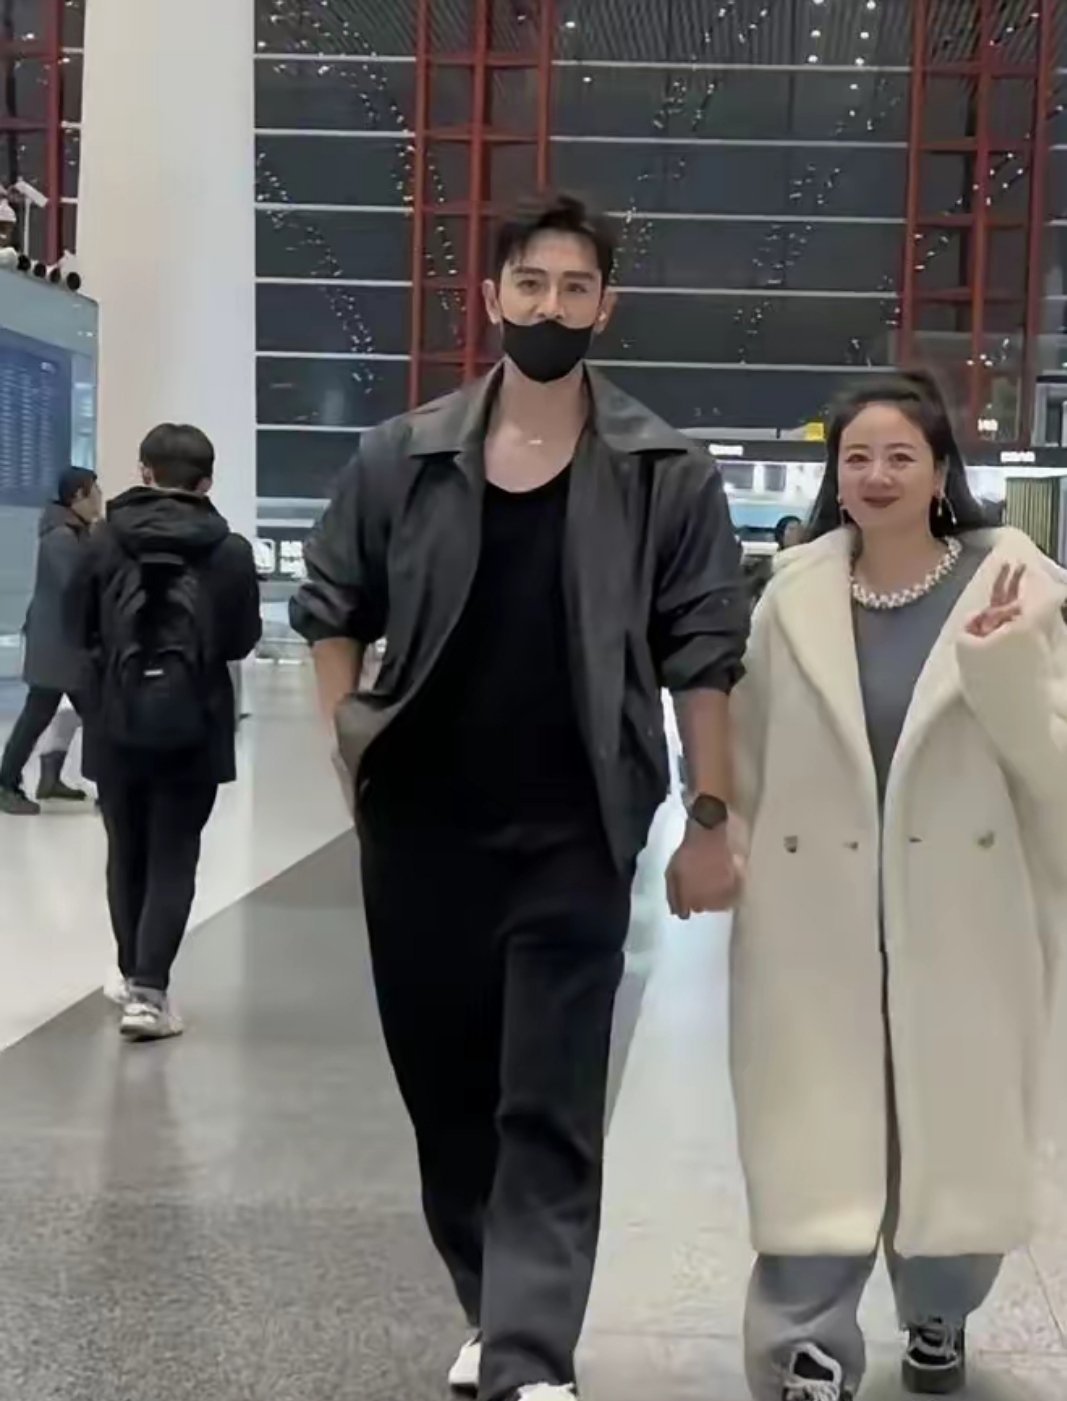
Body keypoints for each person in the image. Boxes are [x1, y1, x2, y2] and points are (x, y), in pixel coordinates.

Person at [290, 191, 749, 1401]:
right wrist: (347, 745)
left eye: (574, 287)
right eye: (531, 284)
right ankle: (492, 1306)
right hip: (421, 827)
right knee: (447, 1096)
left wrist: (708, 819)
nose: (551, 306)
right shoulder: (402, 456)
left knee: (546, 1097)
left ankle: (531, 1353)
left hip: (574, 829)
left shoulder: (661, 470)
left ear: (606, 306)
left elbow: (704, 656)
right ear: (491, 296)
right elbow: (329, 605)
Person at [730, 370, 1067, 1401]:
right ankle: (804, 1346)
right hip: (812, 906)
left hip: (962, 905)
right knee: (812, 1124)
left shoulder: (1016, 588)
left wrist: (1001, 668)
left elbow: (1053, 771)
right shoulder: (790, 597)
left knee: (949, 1122)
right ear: (834, 475)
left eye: (899, 456)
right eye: (855, 457)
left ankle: (937, 1313)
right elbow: (748, 753)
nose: (875, 476)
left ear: (938, 472)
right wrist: (724, 848)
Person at [68, 424, 261, 1041]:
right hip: (194, 721)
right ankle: (150, 994)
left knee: (125, 851)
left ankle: (132, 978)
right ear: (206, 482)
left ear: (144, 472)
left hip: (115, 717)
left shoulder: (102, 540)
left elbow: (77, 626)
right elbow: (240, 639)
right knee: (175, 853)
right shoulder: (229, 551)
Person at [0, 466, 102, 815]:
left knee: (50, 715)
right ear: (78, 496)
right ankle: (6, 784)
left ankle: (38, 781)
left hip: (61, 645)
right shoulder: (62, 537)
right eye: (95, 492)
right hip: (59, 646)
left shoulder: (72, 533)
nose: (99, 499)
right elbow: (77, 584)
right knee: (87, 716)